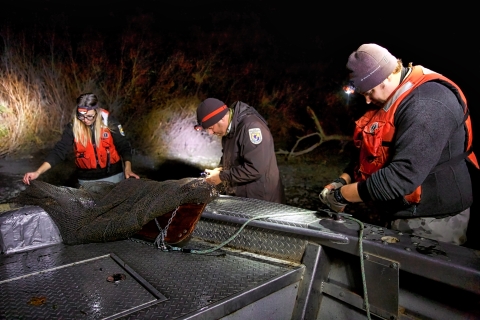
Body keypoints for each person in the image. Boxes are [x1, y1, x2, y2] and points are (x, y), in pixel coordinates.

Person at [320, 43, 479, 245]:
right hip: (401, 211)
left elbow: (402, 176)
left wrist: (342, 196)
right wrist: (342, 180)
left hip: (434, 218)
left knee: (420, 275)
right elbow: (374, 152)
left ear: (386, 76)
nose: (367, 101)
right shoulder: (392, 96)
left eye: (369, 92)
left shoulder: (427, 104)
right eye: (363, 95)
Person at [23, 93, 140, 186]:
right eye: (81, 116)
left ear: (96, 111)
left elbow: (124, 146)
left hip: (114, 176)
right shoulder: (73, 127)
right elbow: (59, 151)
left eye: (89, 116)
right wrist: (38, 172)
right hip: (86, 180)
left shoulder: (109, 121)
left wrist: (128, 168)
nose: (85, 120)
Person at [194, 98, 285, 204]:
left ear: (222, 119)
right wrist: (219, 169)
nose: (210, 133)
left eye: (211, 127)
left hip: (262, 201)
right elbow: (230, 158)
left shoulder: (251, 128)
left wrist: (222, 176)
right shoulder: (229, 131)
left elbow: (256, 168)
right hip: (244, 198)